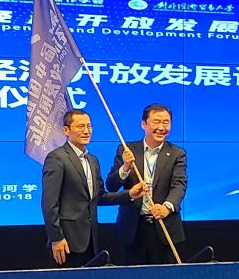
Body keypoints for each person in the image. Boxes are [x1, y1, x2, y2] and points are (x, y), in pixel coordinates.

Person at [42, 109, 145, 268]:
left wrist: (129, 194)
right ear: (66, 130)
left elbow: (99, 197)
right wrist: (56, 238)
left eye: (89, 126)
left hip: (91, 240)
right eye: (80, 126)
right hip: (66, 241)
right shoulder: (57, 158)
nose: (86, 131)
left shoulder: (93, 160)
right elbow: (49, 203)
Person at [106, 103, 187, 265]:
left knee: (166, 278)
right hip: (133, 229)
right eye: (156, 122)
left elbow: (179, 184)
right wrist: (125, 167)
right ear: (144, 124)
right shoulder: (127, 150)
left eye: (166, 122)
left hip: (164, 228)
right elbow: (111, 186)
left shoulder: (177, 153)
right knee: (133, 278)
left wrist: (167, 207)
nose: (162, 127)